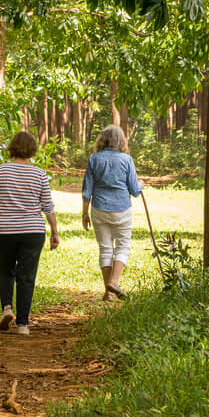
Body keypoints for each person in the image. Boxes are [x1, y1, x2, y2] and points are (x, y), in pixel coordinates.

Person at [0, 130, 60, 336]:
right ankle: (23, 324)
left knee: (5, 270)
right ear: (33, 150)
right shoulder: (39, 174)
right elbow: (48, 206)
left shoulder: (0, 172)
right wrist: (54, 231)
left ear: (12, 148)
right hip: (32, 231)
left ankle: (7, 308)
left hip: (4, 230)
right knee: (27, 276)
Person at [81, 124, 143, 302]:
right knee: (123, 246)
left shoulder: (94, 159)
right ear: (121, 141)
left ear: (102, 139)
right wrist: (142, 184)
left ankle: (108, 293)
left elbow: (87, 191)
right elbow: (134, 190)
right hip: (122, 209)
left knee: (105, 248)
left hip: (99, 208)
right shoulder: (126, 159)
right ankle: (114, 283)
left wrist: (84, 214)